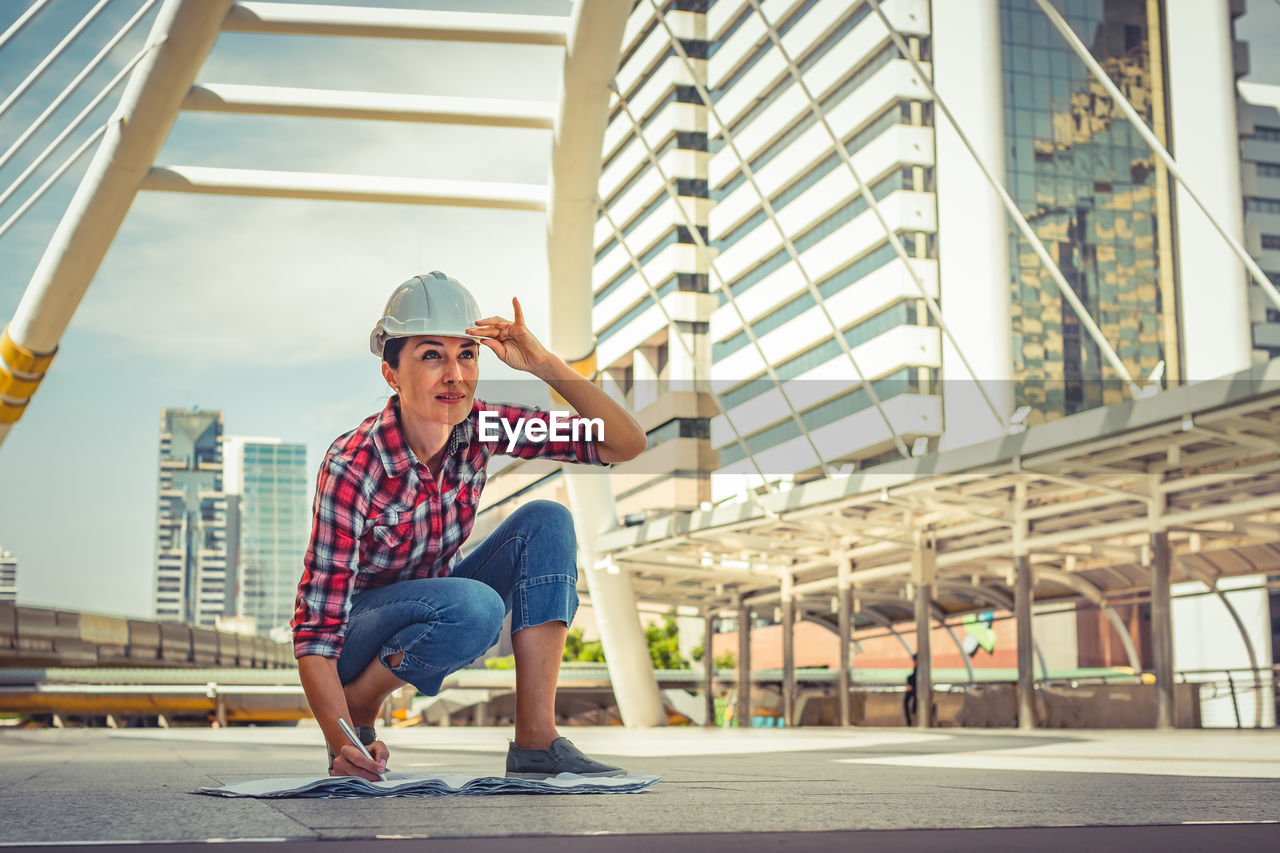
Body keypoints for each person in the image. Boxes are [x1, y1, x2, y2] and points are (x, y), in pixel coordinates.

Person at [292, 271, 648, 782]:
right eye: (431, 355)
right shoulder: (354, 464)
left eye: (467, 353)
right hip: (355, 636)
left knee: (546, 521)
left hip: (439, 607)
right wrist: (340, 735)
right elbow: (315, 628)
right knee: (474, 606)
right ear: (392, 374)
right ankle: (362, 703)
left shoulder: (483, 425)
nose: (454, 374)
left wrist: (544, 364)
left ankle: (536, 742)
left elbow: (624, 443)